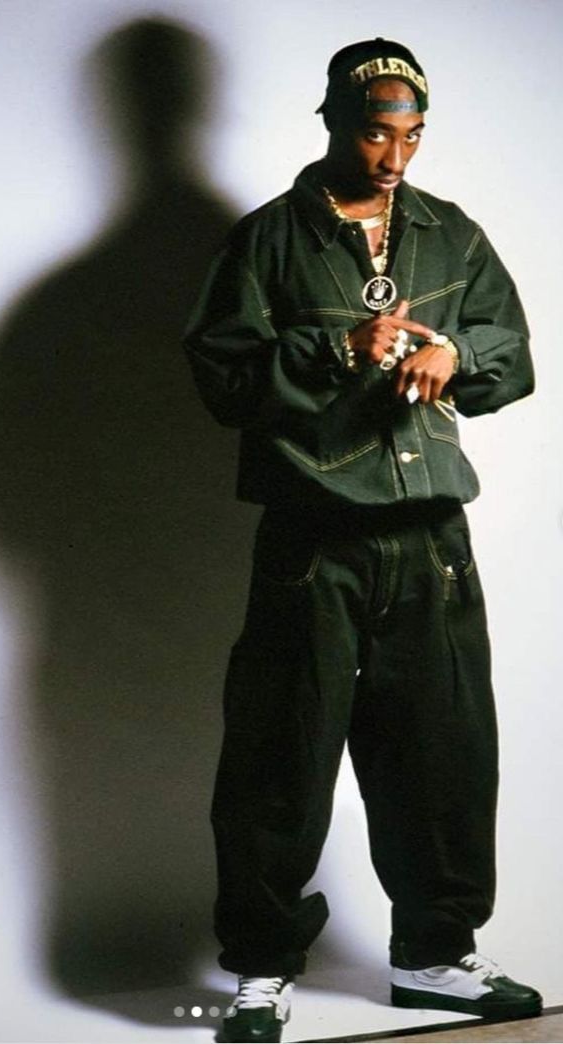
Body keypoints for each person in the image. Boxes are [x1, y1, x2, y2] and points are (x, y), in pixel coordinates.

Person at [183, 38, 542, 1044]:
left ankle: (434, 958)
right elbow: (221, 377)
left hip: (430, 539)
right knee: (279, 760)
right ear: (336, 123)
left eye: (412, 135)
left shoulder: (447, 235)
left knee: (445, 757)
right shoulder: (269, 241)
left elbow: (509, 359)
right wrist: (334, 348)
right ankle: (260, 969)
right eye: (376, 132)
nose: (394, 157)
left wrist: (451, 350)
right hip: (314, 537)